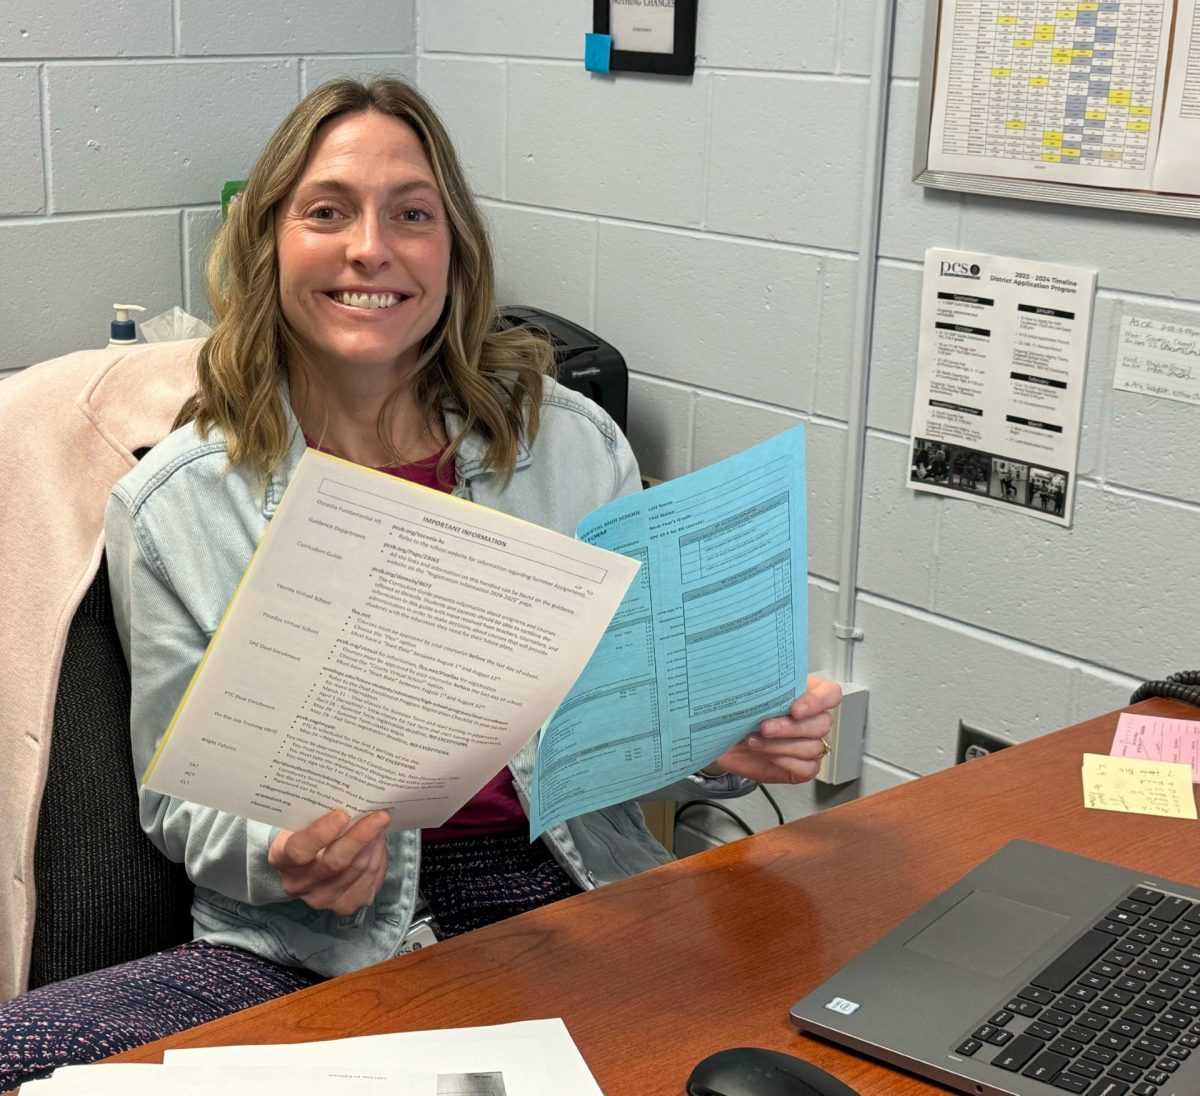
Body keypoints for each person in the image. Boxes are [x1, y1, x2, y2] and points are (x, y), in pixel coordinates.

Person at [0, 77, 841, 1087]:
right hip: (307, 939)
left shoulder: (570, 445)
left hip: (571, 889)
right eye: (327, 212)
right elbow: (180, 804)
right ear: (268, 242)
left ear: (455, 251)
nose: (371, 248)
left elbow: (630, 721)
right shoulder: (176, 503)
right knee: (24, 1054)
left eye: (411, 214)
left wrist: (726, 739)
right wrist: (284, 853)